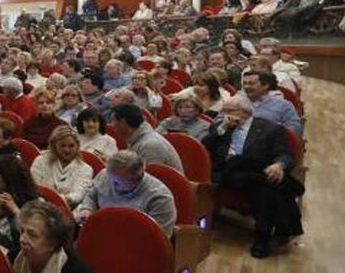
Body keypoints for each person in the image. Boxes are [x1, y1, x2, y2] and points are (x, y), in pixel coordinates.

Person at [201, 94, 302, 258]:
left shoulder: (271, 129)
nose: (225, 114)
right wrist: (222, 129)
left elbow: (285, 154)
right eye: (224, 110)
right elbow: (204, 148)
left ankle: (263, 235)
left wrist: (279, 165)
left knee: (263, 184)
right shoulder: (220, 126)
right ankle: (267, 235)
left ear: (245, 111)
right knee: (264, 182)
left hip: (254, 174)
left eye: (230, 110)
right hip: (224, 173)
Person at [73, 151, 177, 236]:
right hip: (102, 233)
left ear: (136, 180)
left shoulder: (160, 198)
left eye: (117, 182)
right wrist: (87, 209)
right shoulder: (106, 175)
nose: (111, 184)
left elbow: (159, 238)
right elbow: (91, 196)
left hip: (137, 245)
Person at [30, 125, 94, 208]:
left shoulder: (86, 169)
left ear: (77, 146)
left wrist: (59, 200)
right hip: (39, 207)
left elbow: (78, 194)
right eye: (62, 145)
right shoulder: (40, 161)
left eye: (71, 146)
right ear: (54, 146)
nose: (66, 150)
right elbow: (33, 188)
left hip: (68, 210)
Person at [112, 103, 183, 173]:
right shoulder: (135, 138)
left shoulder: (150, 145)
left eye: (114, 120)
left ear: (123, 122)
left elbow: (148, 179)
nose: (112, 124)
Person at [240, 70, 303, 136]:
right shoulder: (237, 101)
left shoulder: (283, 105)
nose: (246, 87)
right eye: (244, 83)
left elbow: (295, 129)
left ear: (265, 86)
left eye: (251, 84)